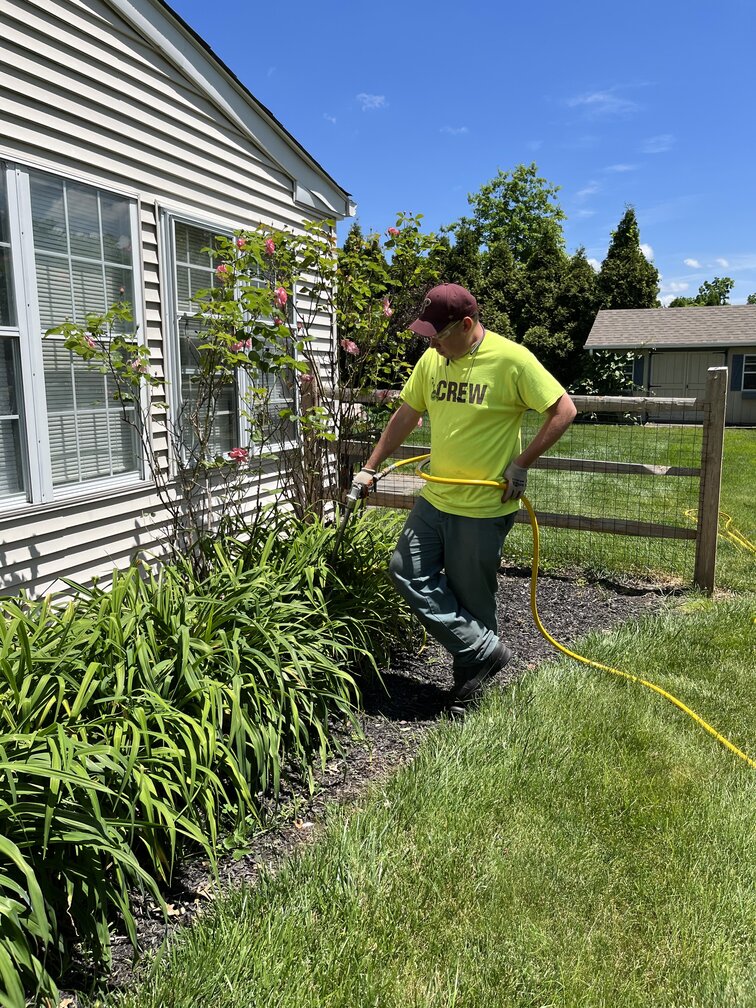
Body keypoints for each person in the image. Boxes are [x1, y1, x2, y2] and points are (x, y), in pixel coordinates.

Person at [353, 283, 577, 717]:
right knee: (405, 570)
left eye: (437, 336)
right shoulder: (433, 360)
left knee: (473, 598)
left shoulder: (512, 360)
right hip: (436, 497)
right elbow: (407, 413)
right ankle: (485, 651)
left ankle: (469, 691)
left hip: (482, 505)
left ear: (467, 324)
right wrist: (370, 465)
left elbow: (563, 410)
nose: (431, 345)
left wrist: (521, 464)